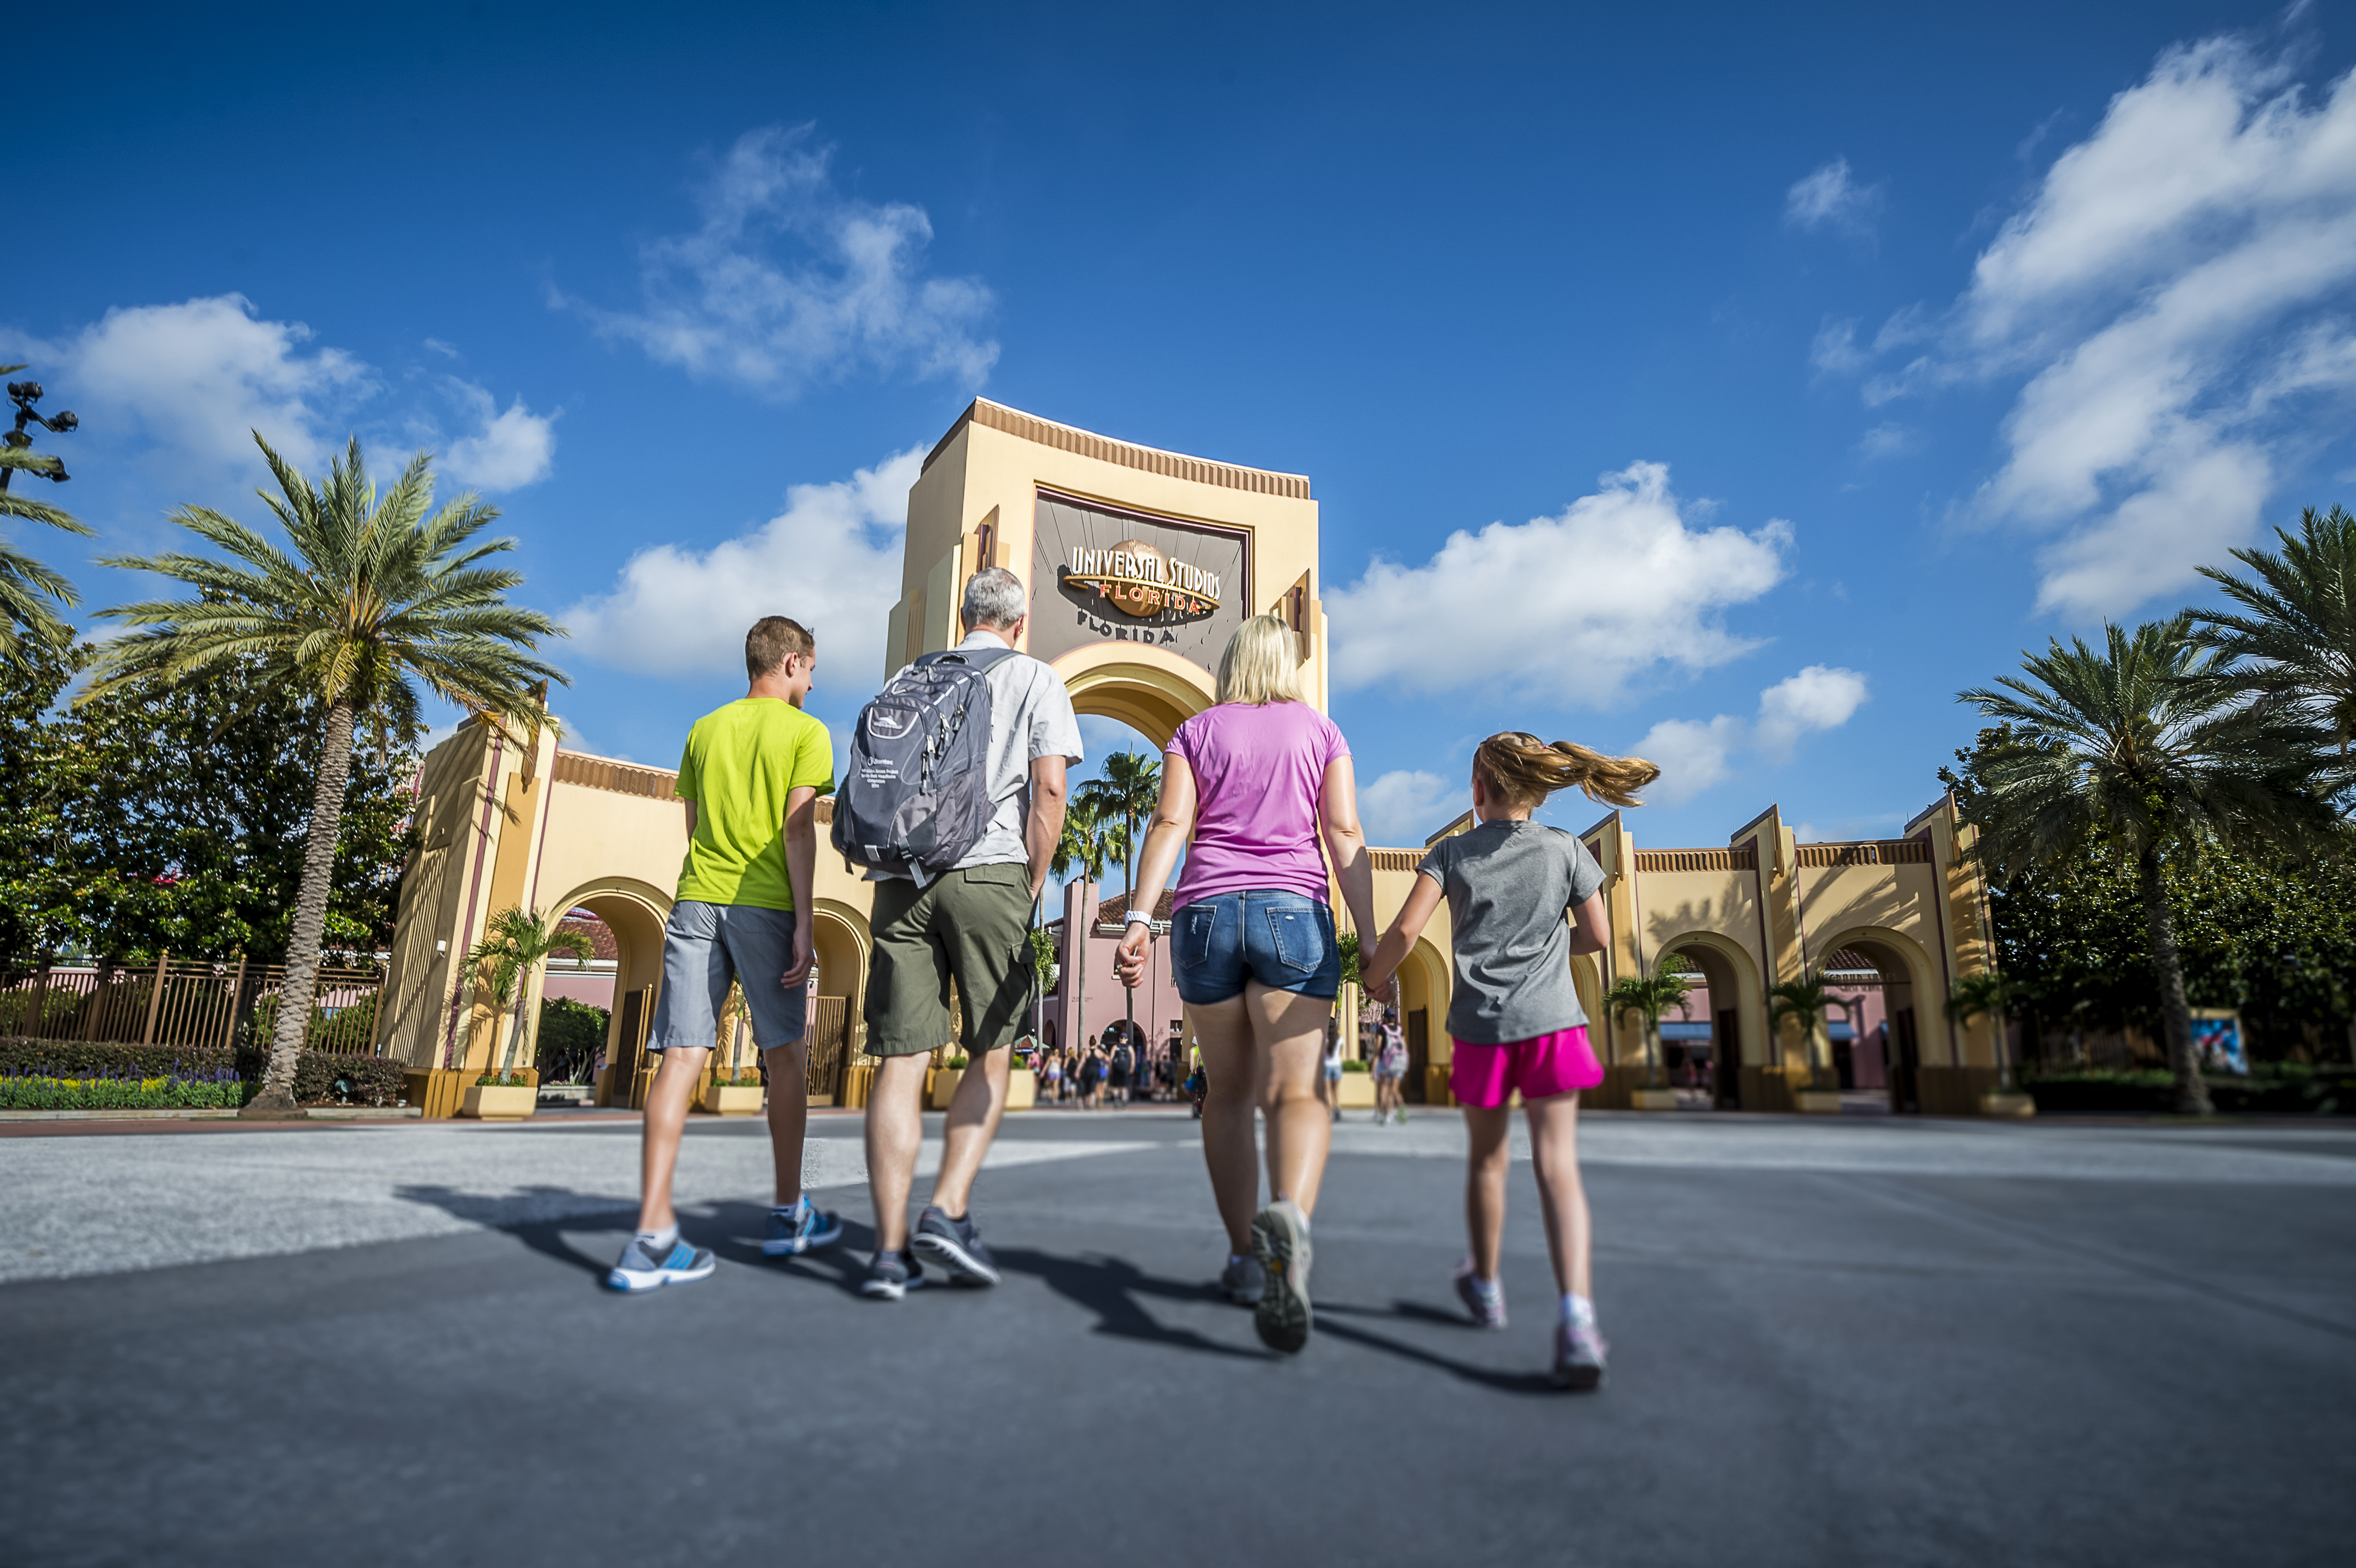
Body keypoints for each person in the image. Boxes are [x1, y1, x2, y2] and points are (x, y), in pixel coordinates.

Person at [1361, 731, 1657, 1391]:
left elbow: (1406, 931)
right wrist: (1550, 946)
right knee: (1558, 1169)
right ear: (1541, 787)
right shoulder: (1568, 850)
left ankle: (1487, 1286)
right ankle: (1577, 1317)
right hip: (1554, 1024)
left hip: (1481, 1029)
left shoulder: (1451, 853)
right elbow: (1600, 937)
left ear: (1477, 790)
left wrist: (1377, 980)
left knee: (1489, 1164)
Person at [1115, 615, 1377, 1353]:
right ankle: (1288, 1216)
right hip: (1292, 914)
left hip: (1202, 919)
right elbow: (1345, 834)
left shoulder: (1195, 732)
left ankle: (1241, 1256)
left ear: (1232, 663)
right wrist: (1373, 934)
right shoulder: (1321, 732)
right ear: (1288, 664)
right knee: (1296, 1092)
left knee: (1226, 1094)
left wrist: (1140, 919)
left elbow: (1170, 822)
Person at [858, 568, 1082, 1301]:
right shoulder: (1034, 677)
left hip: (900, 880)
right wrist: (1031, 877)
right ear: (1019, 623)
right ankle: (947, 1209)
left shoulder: (909, 674)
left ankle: (889, 1253)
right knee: (990, 1051)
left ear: (963, 616)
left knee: (901, 1062)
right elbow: (1049, 789)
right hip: (989, 874)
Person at [607, 617, 843, 1292]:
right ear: (793, 663)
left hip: (695, 901)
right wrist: (804, 921)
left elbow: (692, 827)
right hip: (766, 905)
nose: (812, 682)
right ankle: (787, 1211)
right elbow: (800, 833)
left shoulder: (704, 730)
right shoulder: (807, 733)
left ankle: (650, 1237)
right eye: (812, 670)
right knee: (786, 1056)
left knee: (680, 1060)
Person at [1374, 1008, 1408, 1125]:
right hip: (1398, 1062)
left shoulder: (1382, 1029)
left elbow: (1379, 1045)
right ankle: (1398, 1109)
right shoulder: (1400, 1030)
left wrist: (1376, 1055)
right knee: (1394, 1089)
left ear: (1385, 1018)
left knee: (1384, 1088)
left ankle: (1383, 1114)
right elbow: (1405, 1045)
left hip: (1385, 1062)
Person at [1320, 1019, 1344, 1122]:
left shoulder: (1324, 1039)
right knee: (1336, 1090)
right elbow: (1340, 1053)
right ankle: (1337, 1107)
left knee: (1327, 1090)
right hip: (1337, 1065)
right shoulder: (1340, 1039)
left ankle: (1328, 1112)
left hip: (1327, 1065)